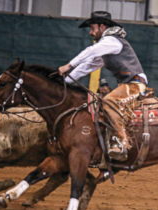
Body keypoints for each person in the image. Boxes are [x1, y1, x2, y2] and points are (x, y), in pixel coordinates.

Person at [59, 11, 148, 162]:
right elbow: (88, 65)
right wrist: (65, 82)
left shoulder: (111, 41)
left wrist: (68, 65)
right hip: (127, 84)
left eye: (92, 28)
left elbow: (90, 51)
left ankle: (122, 143)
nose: (90, 32)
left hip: (135, 84)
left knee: (109, 102)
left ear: (102, 26)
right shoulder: (107, 47)